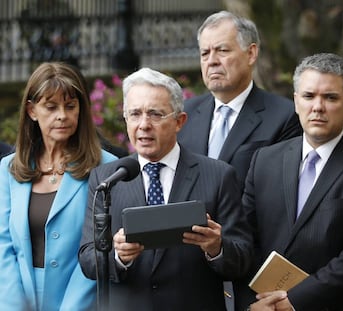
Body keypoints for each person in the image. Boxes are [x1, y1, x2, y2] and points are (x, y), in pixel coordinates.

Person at [78, 67, 253, 311]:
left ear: (179, 121)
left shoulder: (218, 175)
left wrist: (217, 247)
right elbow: (88, 259)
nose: (144, 125)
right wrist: (119, 257)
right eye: (135, 114)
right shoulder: (107, 179)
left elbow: (243, 258)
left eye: (155, 114)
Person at [236, 53, 343, 311]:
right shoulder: (264, 160)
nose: (318, 107)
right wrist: (254, 301)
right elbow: (245, 238)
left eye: (330, 97)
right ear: (296, 102)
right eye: (309, 96)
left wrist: (293, 302)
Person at [0, 62, 117, 311]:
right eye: (51, 107)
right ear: (32, 111)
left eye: (70, 106)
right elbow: (3, 245)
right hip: (19, 300)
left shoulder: (107, 168)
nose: (62, 115)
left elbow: (100, 250)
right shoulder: (8, 168)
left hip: (81, 301)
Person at [177, 10, 302, 186]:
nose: (211, 61)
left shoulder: (284, 116)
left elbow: (278, 192)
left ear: (251, 54)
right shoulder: (185, 114)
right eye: (205, 53)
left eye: (222, 50)